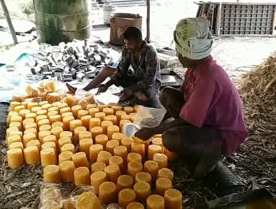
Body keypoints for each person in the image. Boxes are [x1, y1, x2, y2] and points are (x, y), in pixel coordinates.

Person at [135, 17, 249, 179]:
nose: (176, 54)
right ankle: (193, 141)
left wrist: (152, 131)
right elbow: (185, 100)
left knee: (170, 138)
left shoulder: (208, 77)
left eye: (178, 51)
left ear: (187, 55)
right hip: (207, 120)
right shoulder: (196, 66)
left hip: (222, 132)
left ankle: (213, 150)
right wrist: (158, 122)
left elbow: (187, 119)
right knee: (166, 93)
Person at [67, 27, 161, 107]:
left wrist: (131, 89)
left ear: (140, 42)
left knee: (142, 98)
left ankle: (133, 97)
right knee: (113, 74)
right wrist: (107, 85)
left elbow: (149, 80)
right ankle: (83, 91)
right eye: (126, 43)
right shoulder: (127, 50)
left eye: (130, 44)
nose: (127, 46)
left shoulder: (150, 52)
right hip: (136, 78)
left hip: (149, 83)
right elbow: (120, 72)